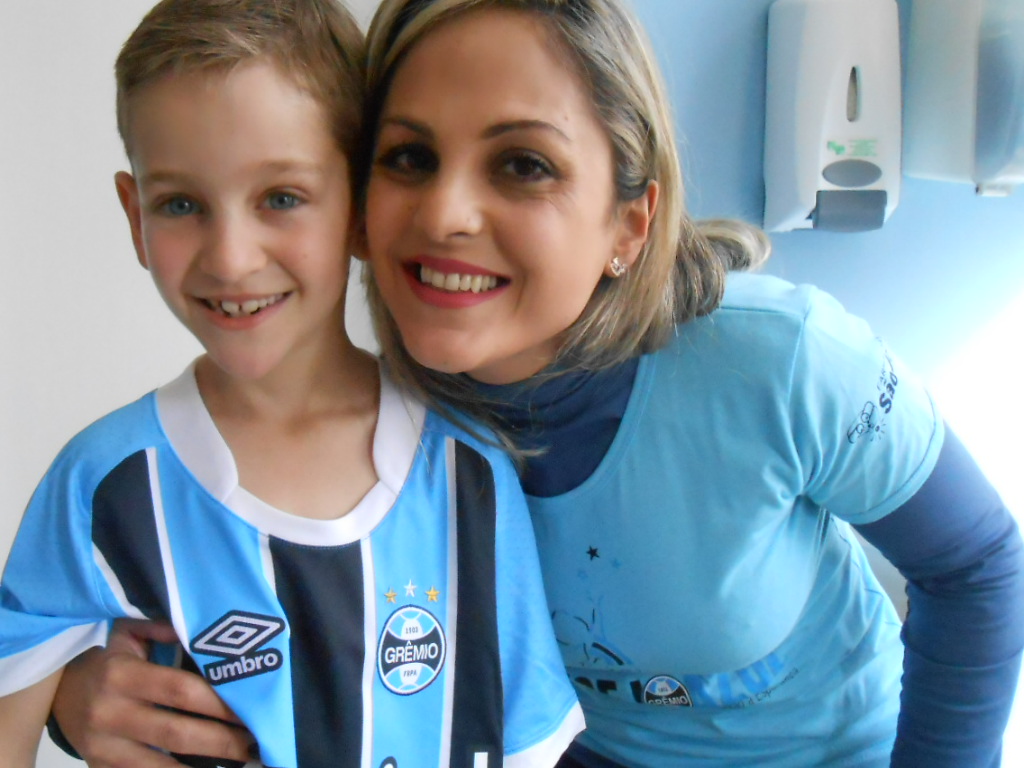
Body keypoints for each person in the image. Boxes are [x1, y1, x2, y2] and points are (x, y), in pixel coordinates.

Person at [47, 0, 1024, 766]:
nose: (447, 212)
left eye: (521, 164)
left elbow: (978, 568)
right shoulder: (376, 435)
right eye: (408, 158)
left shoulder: (781, 366)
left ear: (629, 223)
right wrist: (70, 692)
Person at [0, 1, 585, 767]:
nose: (232, 257)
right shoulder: (102, 485)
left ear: (359, 209)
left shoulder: (468, 473)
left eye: (281, 198)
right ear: (134, 216)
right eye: (181, 204)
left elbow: (528, 742)